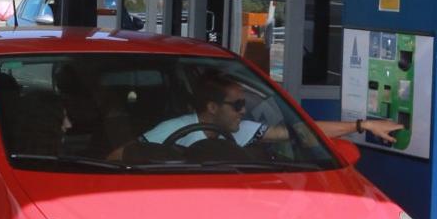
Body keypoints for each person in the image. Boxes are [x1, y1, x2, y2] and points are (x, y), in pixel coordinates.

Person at [135, 70, 403, 153]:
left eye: (245, 105)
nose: (243, 112)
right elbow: (122, 156)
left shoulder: (238, 132)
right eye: (237, 106)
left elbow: (299, 132)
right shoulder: (171, 130)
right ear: (212, 108)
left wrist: (362, 126)